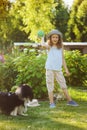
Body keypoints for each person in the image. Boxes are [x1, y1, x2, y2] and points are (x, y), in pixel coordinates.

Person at [40, 29, 78, 108]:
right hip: (50, 68)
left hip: (58, 69)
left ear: (59, 38)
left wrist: (66, 69)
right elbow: (43, 45)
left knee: (63, 84)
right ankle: (51, 103)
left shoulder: (61, 46)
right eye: (53, 37)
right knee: (50, 85)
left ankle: (69, 101)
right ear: (50, 38)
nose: (55, 39)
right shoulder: (49, 45)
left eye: (56, 37)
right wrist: (41, 37)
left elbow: (62, 58)